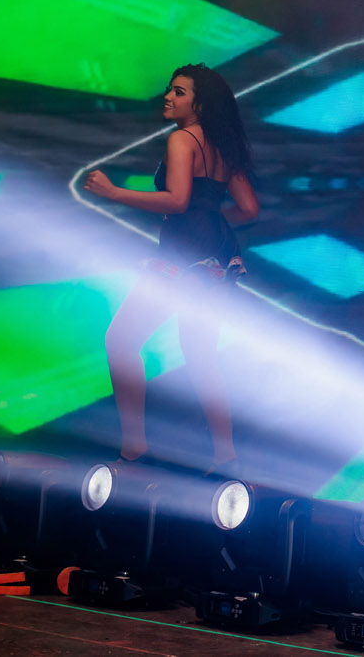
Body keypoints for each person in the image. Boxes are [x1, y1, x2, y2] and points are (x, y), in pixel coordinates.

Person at [84, 64, 259, 471]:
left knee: (120, 341)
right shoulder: (223, 146)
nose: (168, 97)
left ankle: (134, 447)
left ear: (200, 104)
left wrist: (113, 192)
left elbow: (177, 200)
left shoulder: (182, 139)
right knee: (201, 355)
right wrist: (209, 218)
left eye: (179, 92)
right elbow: (249, 209)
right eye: (169, 89)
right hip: (217, 257)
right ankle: (226, 454)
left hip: (183, 256)